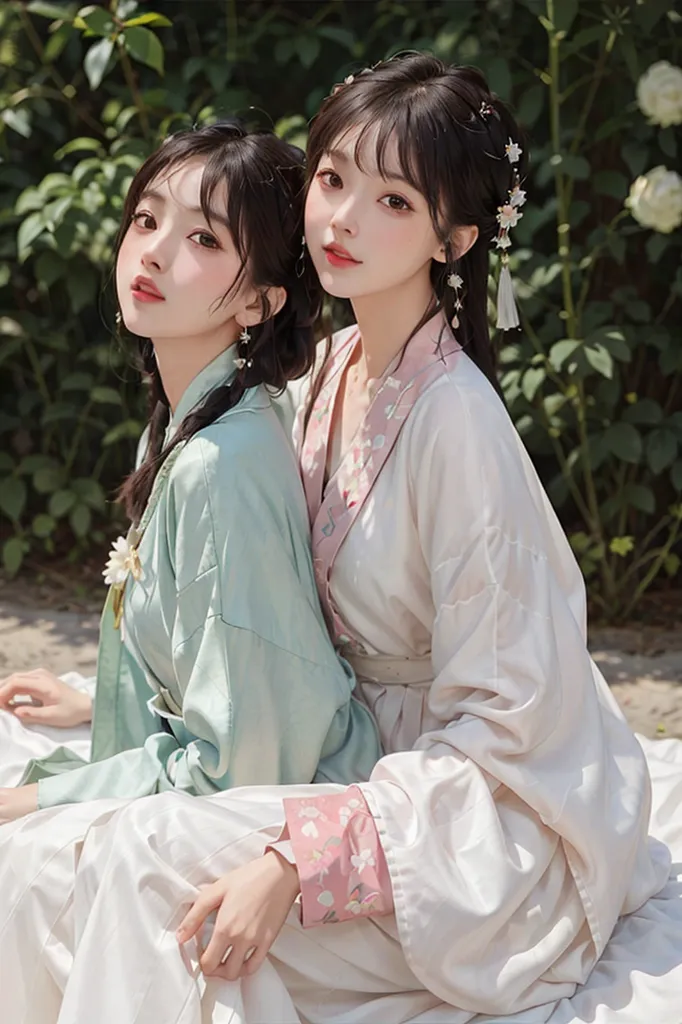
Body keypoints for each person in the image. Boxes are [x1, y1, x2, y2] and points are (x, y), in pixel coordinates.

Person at [4, 56, 682, 1024]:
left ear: (452, 237)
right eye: (331, 180)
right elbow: (270, 616)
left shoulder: (458, 425)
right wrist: (132, 691)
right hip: (335, 752)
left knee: (129, 854)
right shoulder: (328, 368)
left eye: (392, 201)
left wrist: (300, 858)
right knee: (60, 857)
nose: (342, 220)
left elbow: (507, 731)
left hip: (462, 816)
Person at [0, 120, 380, 825]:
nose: (153, 252)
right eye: (146, 219)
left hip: (269, 806)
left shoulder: (219, 468)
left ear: (258, 301)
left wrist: (34, 801)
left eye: (203, 239)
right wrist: (103, 702)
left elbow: (246, 762)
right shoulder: (187, 426)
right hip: (223, 757)